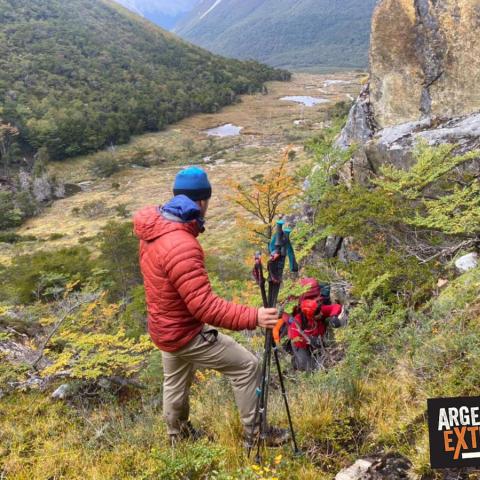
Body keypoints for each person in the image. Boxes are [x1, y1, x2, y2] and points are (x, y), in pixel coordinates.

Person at [133, 166, 289, 446]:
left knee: (175, 382)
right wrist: (255, 316)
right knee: (247, 366)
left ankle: (177, 438)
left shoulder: (152, 231)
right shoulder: (182, 245)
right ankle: (257, 434)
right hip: (185, 332)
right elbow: (204, 307)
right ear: (202, 202)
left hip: (162, 327)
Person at [273, 278, 346, 372]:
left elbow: (335, 307)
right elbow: (294, 339)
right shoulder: (297, 321)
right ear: (309, 315)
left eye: (320, 311)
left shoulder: (318, 309)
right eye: (317, 314)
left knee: (324, 359)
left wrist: (334, 317)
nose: (321, 314)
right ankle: (295, 362)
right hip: (301, 344)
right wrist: (309, 340)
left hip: (317, 338)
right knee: (310, 368)